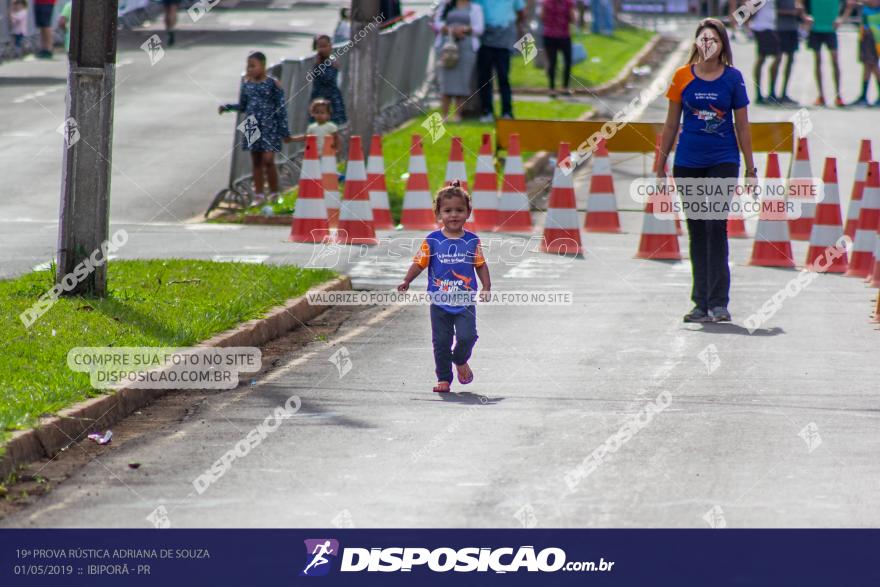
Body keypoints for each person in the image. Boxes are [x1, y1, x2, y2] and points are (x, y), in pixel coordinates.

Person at [657, 18, 757, 323]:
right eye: (703, 39)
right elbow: (672, 123)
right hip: (687, 163)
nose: (708, 44)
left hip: (723, 161)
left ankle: (718, 302)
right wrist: (660, 164)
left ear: (722, 44)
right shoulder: (681, 77)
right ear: (697, 43)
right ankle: (699, 302)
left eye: (714, 39)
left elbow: (742, 126)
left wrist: (751, 169)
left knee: (716, 224)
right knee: (697, 229)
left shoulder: (733, 79)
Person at [397, 181, 491, 393]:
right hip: (439, 303)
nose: (454, 215)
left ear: (468, 212)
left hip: (465, 301)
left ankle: (459, 360)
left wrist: (486, 286)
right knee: (441, 342)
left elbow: (481, 265)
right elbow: (420, 262)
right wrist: (407, 280)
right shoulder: (432, 240)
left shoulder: (472, 241)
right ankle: (444, 379)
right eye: (447, 211)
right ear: (438, 213)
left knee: (468, 336)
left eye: (459, 210)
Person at [218, 51, 291, 205]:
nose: (250, 69)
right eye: (248, 66)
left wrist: (284, 130)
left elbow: (281, 108)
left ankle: (274, 192)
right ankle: (258, 195)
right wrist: (228, 107)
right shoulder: (247, 85)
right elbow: (243, 105)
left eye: (253, 66)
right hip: (252, 124)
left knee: (268, 159)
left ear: (263, 65)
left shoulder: (273, 84)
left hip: (269, 125)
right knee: (256, 161)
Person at [433, 0, 485, 122]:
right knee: (445, 82)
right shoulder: (445, 5)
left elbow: (479, 28)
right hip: (446, 47)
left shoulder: (475, 8)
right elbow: (437, 23)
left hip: (466, 48)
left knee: (462, 82)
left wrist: (465, 29)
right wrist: (450, 30)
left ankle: (458, 115)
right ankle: (444, 114)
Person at [475, 0, 526, 122]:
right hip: (484, 37)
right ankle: (487, 111)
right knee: (484, 78)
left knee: (504, 77)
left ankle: (507, 112)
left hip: (504, 38)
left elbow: (521, 12)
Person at [805, 0, 847, 106]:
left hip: (831, 30)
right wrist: (805, 16)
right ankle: (821, 96)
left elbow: (850, 4)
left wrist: (842, 19)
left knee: (835, 61)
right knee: (818, 61)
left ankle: (838, 96)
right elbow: (799, 3)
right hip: (815, 29)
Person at [842, 0, 880, 105]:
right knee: (867, 65)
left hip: (874, 32)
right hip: (866, 30)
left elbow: (875, 3)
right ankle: (863, 96)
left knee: (873, 64)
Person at [775, 0, 811, 104]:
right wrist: (791, 12)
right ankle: (772, 92)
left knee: (790, 61)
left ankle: (784, 93)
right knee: (778, 60)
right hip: (780, 29)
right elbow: (773, 10)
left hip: (792, 29)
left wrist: (803, 15)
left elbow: (799, 7)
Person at [309, 35, 348, 125]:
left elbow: (332, 79)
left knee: (335, 126)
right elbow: (324, 78)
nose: (323, 49)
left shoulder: (333, 62)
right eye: (320, 47)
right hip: (319, 98)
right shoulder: (316, 63)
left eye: (325, 46)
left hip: (333, 99)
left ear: (330, 46)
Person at [749, 0, 782, 104]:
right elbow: (751, 5)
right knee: (777, 56)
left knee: (761, 58)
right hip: (763, 26)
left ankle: (761, 94)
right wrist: (746, 20)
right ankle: (768, 93)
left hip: (767, 26)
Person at [541, 0, 575, 97]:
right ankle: (564, 87)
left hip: (549, 36)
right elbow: (572, 18)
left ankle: (552, 89)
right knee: (567, 62)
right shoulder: (568, 3)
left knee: (552, 62)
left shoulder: (546, 2)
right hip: (563, 35)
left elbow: (542, 17)